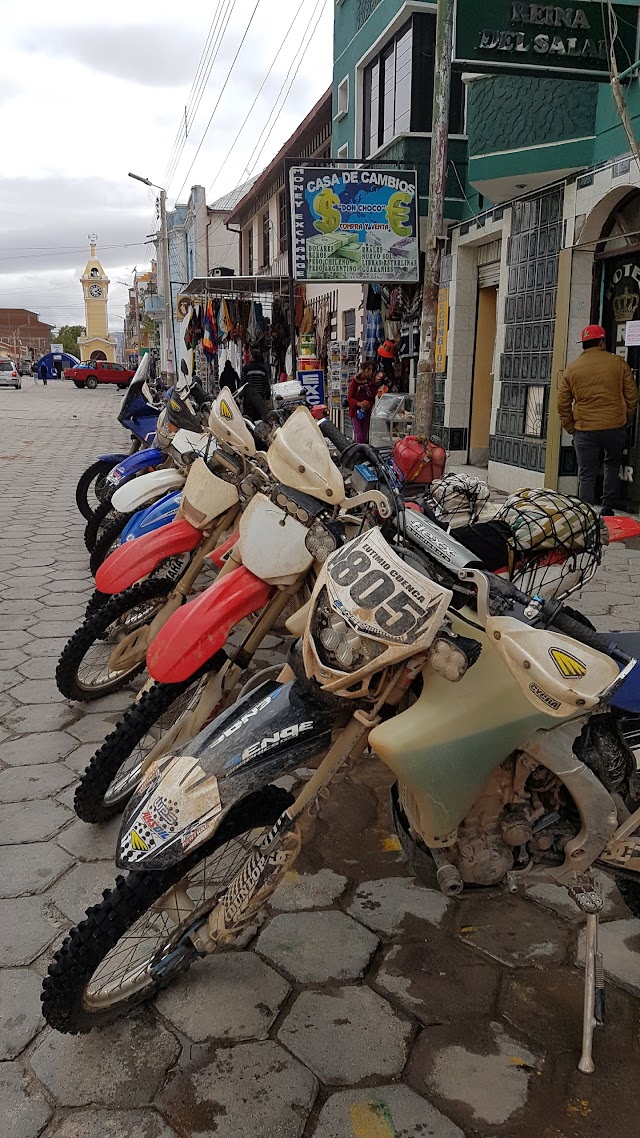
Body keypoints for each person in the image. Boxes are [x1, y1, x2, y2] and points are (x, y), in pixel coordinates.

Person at [558, 324, 638, 516]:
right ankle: (607, 507)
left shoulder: (572, 369)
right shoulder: (618, 363)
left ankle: (586, 512)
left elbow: (562, 404)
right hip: (614, 426)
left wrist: (572, 428)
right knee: (611, 464)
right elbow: (632, 396)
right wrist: (625, 420)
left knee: (586, 472)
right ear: (602, 342)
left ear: (584, 344)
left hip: (584, 429)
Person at [347, 362, 376, 444]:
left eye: (371, 370)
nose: (370, 372)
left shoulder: (371, 382)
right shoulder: (355, 381)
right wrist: (359, 403)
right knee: (359, 436)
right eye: (368, 369)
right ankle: (358, 453)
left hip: (366, 412)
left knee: (364, 435)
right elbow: (349, 397)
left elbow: (373, 396)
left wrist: (369, 404)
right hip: (355, 412)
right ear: (363, 370)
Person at [240, 347, 272, 422]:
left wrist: (241, 397)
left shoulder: (246, 368)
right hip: (259, 397)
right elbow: (266, 384)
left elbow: (242, 383)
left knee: (248, 418)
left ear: (252, 356)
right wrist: (267, 397)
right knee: (259, 419)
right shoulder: (262, 369)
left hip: (249, 398)